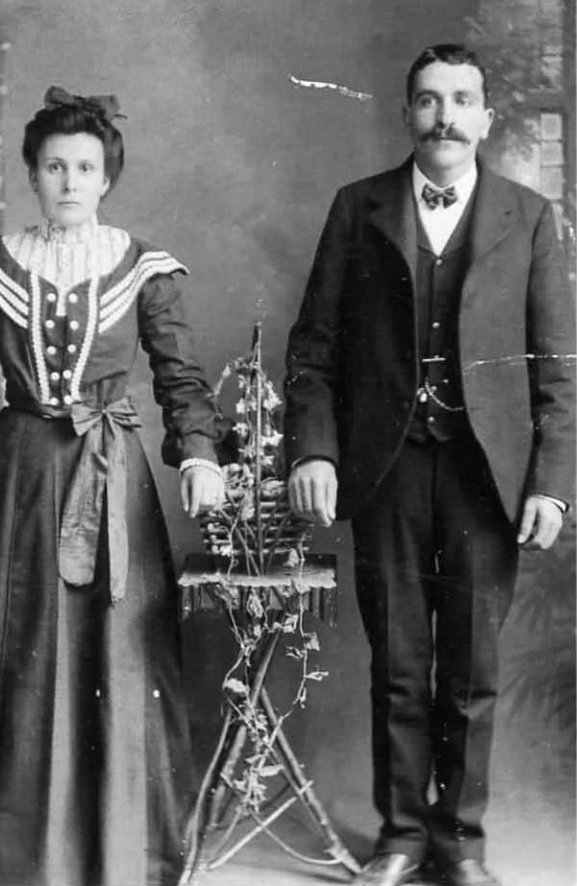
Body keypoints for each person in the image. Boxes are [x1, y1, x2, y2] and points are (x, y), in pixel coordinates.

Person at [0, 86, 225, 886]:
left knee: (114, 658)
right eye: (55, 166)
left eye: (85, 166)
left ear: (106, 176)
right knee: (16, 661)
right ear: (32, 173)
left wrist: (199, 456)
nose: (70, 181)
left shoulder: (144, 268)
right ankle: (13, 857)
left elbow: (182, 380)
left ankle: (112, 853)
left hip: (111, 481)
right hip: (16, 481)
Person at [284, 44, 575, 886]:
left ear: (486, 117)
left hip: (491, 478)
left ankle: (464, 844)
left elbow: (558, 364)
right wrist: (315, 448)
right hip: (386, 468)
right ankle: (403, 836)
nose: (444, 116)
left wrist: (552, 482)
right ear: (406, 114)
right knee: (401, 664)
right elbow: (314, 348)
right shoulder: (358, 208)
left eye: (461, 100)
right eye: (427, 100)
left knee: (473, 672)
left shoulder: (530, 215)